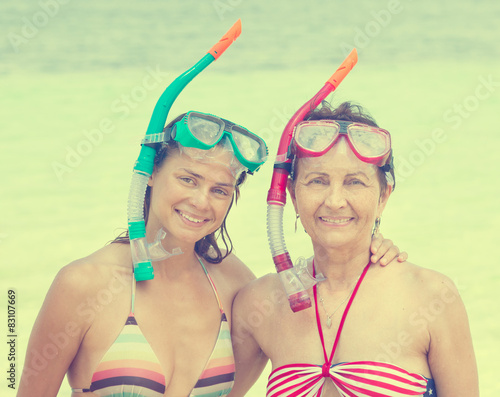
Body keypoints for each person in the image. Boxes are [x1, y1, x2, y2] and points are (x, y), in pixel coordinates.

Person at [17, 110, 406, 397]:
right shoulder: (85, 284)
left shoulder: (235, 286)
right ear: (150, 173)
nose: (201, 201)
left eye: (220, 190)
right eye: (188, 179)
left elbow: (324, 316)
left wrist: (370, 246)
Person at [231, 102, 479, 397]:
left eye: (354, 182)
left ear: (383, 196)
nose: (335, 201)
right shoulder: (259, 304)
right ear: (293, 196)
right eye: (318, 181)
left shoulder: (431, 296)